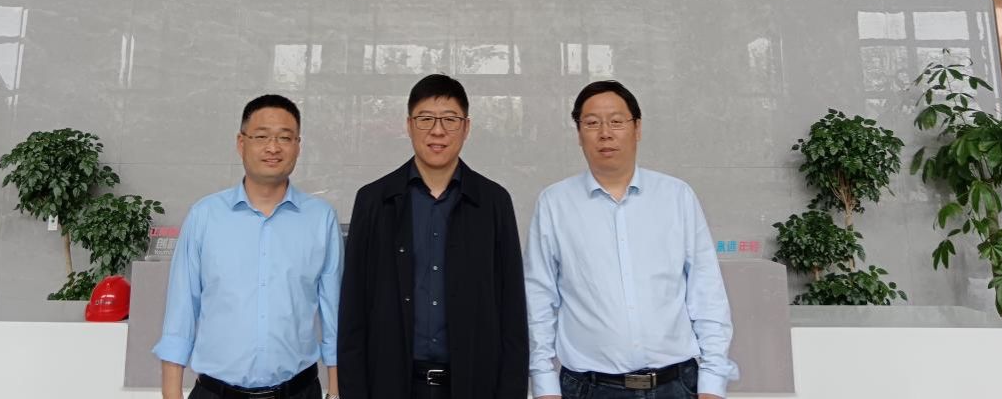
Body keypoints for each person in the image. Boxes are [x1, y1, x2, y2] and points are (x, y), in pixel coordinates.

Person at [525, 80, 738, 399]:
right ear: (579, 133)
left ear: (637, 128)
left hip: (676, 385)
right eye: (592, 123)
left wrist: (713, 381)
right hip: (589, 388)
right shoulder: (555, 203)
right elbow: (538, 297)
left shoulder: (676, 196)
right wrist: (543, 382)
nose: (605, 133)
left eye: (616, 121)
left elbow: (706, 290)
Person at [338, 73, 527, 399]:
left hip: (473, 384)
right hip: (392, 384)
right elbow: (353, 310)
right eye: (425, 119)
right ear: (409, 125)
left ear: (466, 127)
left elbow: (512, 312)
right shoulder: (373, 201)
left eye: (450, 120)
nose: (437, 131)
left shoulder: (493, 202)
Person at [154, 94, 342, 399]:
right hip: (216, 393)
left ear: (298, 146)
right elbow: (181, 311)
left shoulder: (321, 219)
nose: (273, 147)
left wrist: (335, 392)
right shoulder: (205, 216)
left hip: (298, 391)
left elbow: (334, 315)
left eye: (285, 137)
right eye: (262, 136)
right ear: (241, 143)